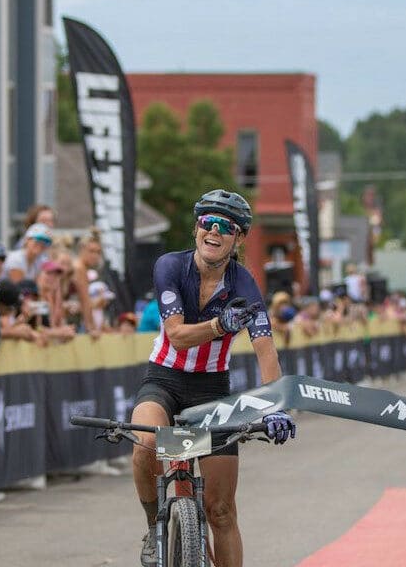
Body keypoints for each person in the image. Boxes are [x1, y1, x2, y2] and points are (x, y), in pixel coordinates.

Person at [129, 189, 295, 567]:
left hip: (211, 391)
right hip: (165, 381)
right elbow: (175, 335)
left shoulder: (245, 285)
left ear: (238, 239)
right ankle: (154, 526)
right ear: (197, 228)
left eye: (226, 226)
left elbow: (265, 349)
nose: (214, 231)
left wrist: (275, 406)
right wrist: (221, 324)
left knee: (220, 511)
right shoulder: (170, 266)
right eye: (208, 222)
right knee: (144, 446)